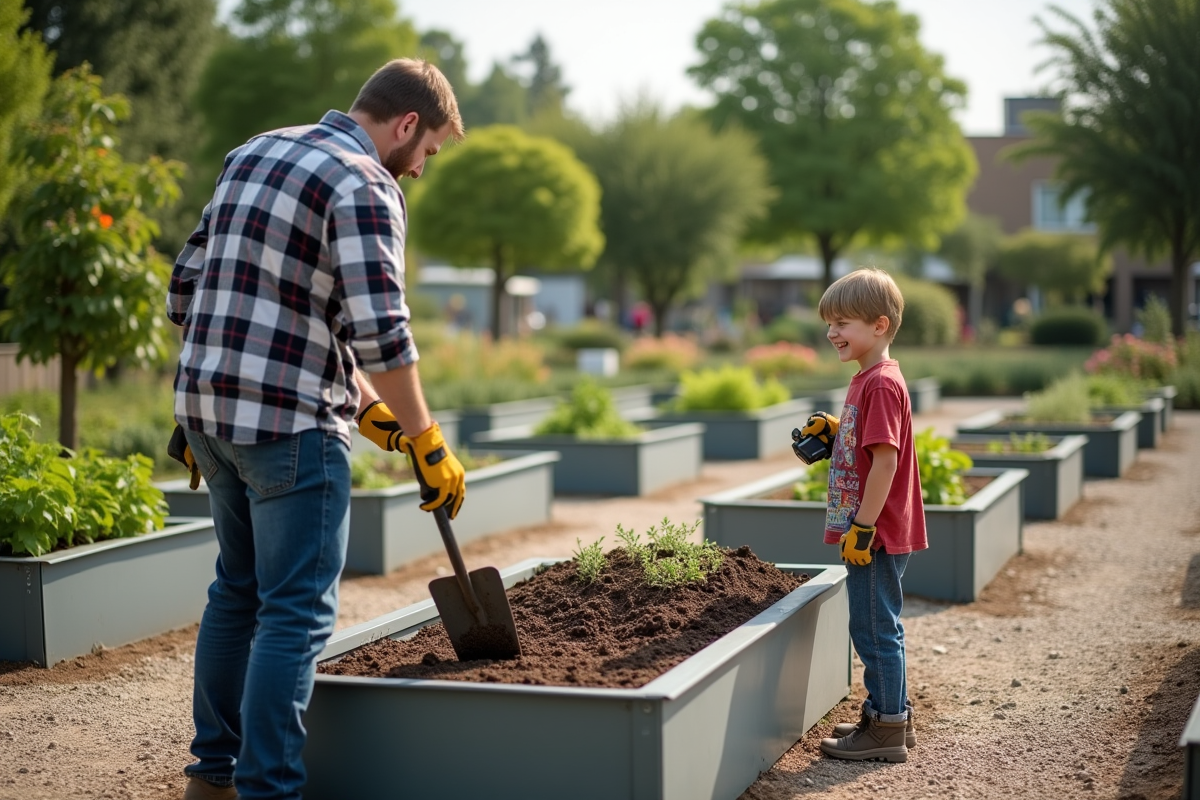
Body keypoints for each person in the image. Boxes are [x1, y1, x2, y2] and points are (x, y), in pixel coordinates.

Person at [166, 59, 466, 800]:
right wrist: (427, 438)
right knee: (295, 614)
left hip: (208, 416)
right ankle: (269, 789)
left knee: (237, 590)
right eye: (427, 151)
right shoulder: (367, 183)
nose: (422, 169)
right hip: (290, 428)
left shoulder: (255, 151)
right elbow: (380, 331)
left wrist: (373, 413)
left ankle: (211, 776)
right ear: (405, 125)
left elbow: (186, 291)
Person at [797, 268, 926, 763]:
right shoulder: (869, 380)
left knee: (874, 629)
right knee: (878, 625)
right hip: (872, 529)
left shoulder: (879, 386)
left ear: (878, 325)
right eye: (829, 323)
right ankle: (891, 713)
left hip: (874, 532)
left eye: (842, 322)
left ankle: (887, 729)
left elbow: (887, 463)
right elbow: (872, 450)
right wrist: (838, 433)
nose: (832, 332)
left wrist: (864, 527)